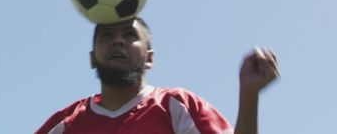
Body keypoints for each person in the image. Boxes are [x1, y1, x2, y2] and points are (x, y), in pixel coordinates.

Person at [35, 17, 280, 134]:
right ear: (92, 57)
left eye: (130, 35)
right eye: (106, 36)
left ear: (150, 58)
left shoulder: (177, 106)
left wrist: (249, 96)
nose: (118, 41)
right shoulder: (66, 123)